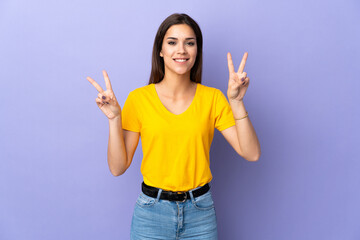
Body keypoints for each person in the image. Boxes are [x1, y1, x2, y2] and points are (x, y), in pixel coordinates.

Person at [87, 13, 261, 240]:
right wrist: (113, 120)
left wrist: (236, 102)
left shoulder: (213, 98)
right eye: (172, 42)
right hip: (151, 215)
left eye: (190, 43)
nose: (182, 50)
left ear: (197, 51)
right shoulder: (139, 99)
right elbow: (117, 168)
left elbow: (252, 153)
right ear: (160, 50)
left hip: (200, 214)